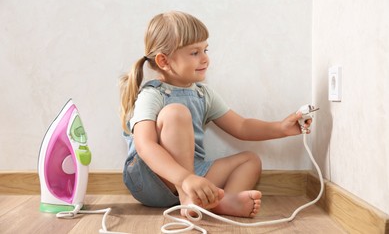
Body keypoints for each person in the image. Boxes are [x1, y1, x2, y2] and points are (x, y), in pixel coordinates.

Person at [119, 11, 311, 218]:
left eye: (205, 50)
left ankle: (222, 202)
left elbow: (242, 126)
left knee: (250, 160)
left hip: (193, 175)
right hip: (152, 179)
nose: (205, 59)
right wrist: (184, 179)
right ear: (164, 61)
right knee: (176, 113)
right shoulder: (152, 94)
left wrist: (281, 128)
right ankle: (188, 199)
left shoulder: (203, 93)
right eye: (194, 53)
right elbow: (145, 146)